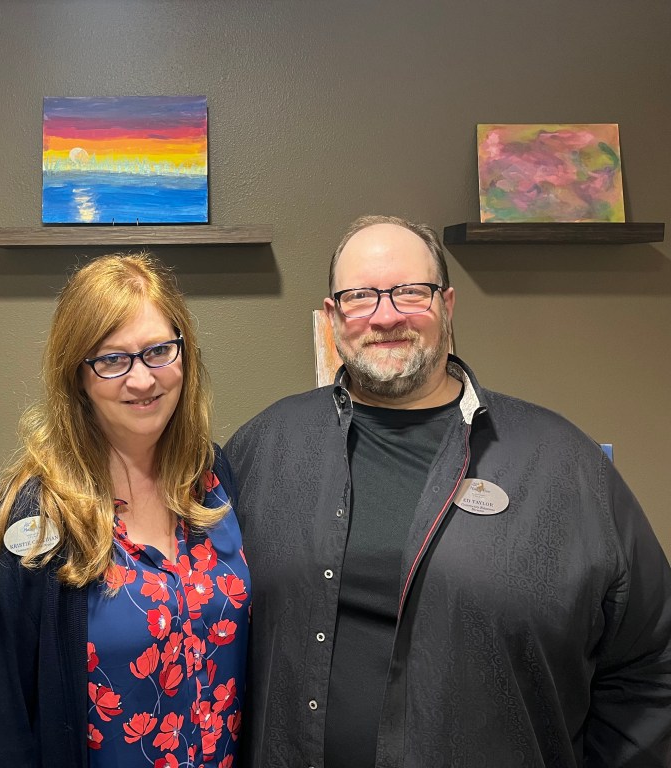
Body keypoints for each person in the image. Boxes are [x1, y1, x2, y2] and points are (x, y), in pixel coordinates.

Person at [225, 215, 671, 768]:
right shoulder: (264, 449)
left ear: (448, 304)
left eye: (411, 292)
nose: (386, 316)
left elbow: (651, 662)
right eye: (360, 297)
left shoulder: (561, 463)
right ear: (334, 315)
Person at [0, 252, 250, 768]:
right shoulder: (37, 517)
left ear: (184, 352)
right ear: (77, 375)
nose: (142, 380)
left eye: (158, 351)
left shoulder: (210, 477)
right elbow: (0, 713)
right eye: (112, 360)